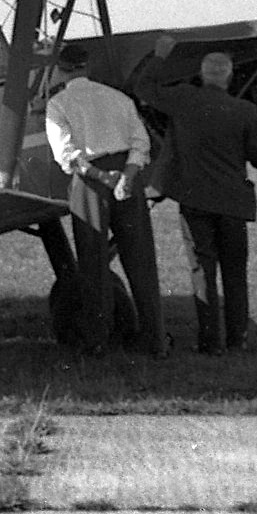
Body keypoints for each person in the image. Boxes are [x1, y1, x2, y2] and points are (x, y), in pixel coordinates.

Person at [135, 36, 257, 354]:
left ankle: (211, 343)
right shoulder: (245, 111)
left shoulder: (184, 99)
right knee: (235, 273)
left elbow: (144, 88)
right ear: (228, 77)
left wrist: (159, 57)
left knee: (203, 271)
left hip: (195, 201)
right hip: (233, 203)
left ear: (201, 75)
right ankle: (237, 339)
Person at [44, 44, 167, 358]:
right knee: (141, 259)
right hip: (128, 179)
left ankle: (96, 338)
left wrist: (101, 177)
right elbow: (141, 144)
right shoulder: (119, 98)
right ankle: (155, 339)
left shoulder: (59, 103)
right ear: (87, 67)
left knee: (92, 263)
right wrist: (126, 176)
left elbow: (66, 156)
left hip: (91, 185)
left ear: (61, 69)